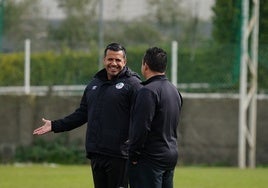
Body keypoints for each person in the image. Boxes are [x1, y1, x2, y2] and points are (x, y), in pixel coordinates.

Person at [33, 42, 142, 188]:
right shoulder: (94, 84)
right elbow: (82, 114)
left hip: (119, 155)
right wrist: (54, 125)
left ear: (125, 62)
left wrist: (136, 147)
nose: (113, 63)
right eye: (110, 59)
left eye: (118, 60)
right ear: (104, 60)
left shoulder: (133, 85)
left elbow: (142, 118)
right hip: (96, 153)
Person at [128, 47, 183, 188]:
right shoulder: (173, 90)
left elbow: (141, 127)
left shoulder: (147, 91)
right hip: (169, 155)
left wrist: (133, 155)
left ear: (145, 65)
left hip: (150, 158)